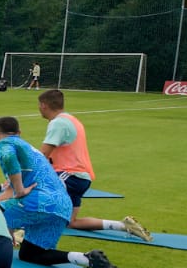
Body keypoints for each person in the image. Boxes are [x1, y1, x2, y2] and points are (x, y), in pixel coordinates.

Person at [0, 114, 123, 268]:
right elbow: (10, 192)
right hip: (62, 207)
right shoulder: (29, 150)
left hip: (40, 202)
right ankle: (86, 259)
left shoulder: (4, 143)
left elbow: (8, 158)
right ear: (19, 132)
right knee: (30, 254)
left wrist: (17, 193)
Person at [36, 89, 150, 241]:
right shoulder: (71, 119)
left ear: (44, 105)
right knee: (71, 222)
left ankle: (17, 231)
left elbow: (43, 154)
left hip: (70, 175)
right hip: (82, 178)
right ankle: (123, 226)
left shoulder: (58, 123)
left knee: (33, 190)